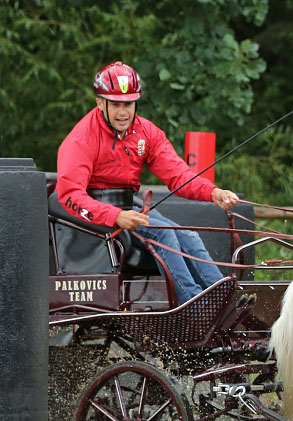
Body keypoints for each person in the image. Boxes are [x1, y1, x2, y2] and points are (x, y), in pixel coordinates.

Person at [57, 61, 241, 305]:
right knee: (163, 233)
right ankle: (195, 304)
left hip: (128, 207)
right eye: (116, 104)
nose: (123, 112)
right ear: (100, 102)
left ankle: (224, 298)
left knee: (189, 237)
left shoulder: (146, 133)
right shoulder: (81, 139)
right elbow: (69, 195)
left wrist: (213, 192)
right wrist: (114, 216)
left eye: (129, 104)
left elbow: (177, 173)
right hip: (97, 212)